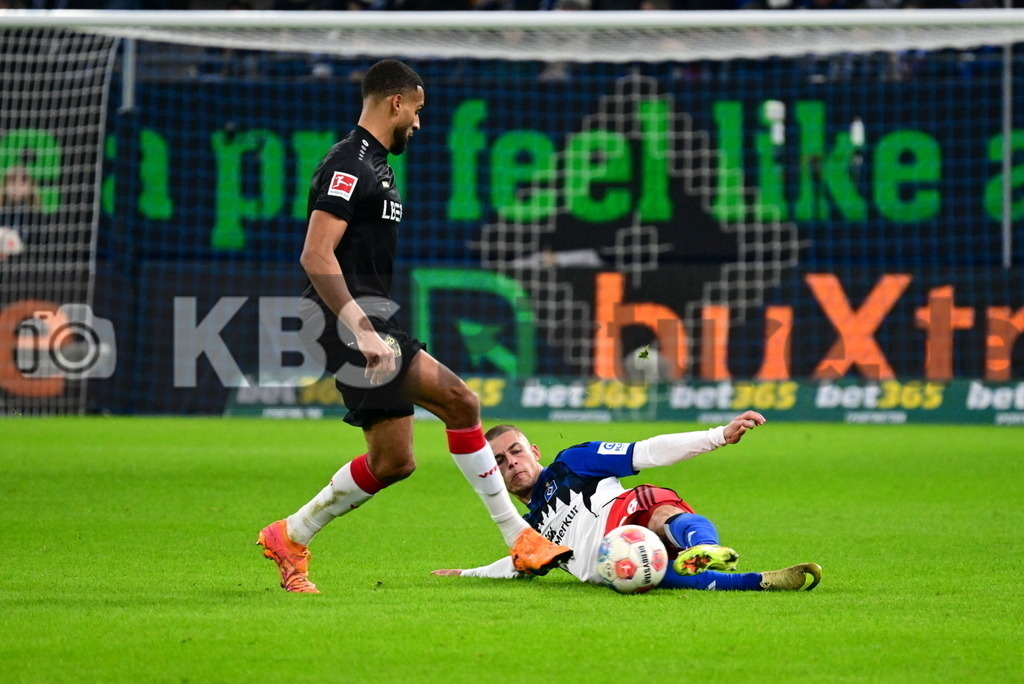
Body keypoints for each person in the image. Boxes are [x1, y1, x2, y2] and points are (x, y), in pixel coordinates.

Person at [257, 59, 571, 594]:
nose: (420, 124)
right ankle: (521, 538)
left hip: (364, 320)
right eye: (418, 111)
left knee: (394, 460)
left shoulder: (378, 164)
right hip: (346, 321)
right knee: (461, 402)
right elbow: (315, 255)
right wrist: (362, 329)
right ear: (396, 102)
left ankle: (289, 534)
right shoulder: (350, 163)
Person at [433, 411, 822, 592]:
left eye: (515, 451)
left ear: (534, 451)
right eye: (499, 461)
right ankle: (761, 582)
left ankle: (705, 547)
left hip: (624, 520)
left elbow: (646, 451)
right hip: (615, 569)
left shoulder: (573, 461)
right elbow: (516, 566)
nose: (511, 463)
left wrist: (718, 435)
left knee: (655, 507)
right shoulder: (529, 531)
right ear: (491, 474)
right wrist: (467, 574)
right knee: (654, 573)